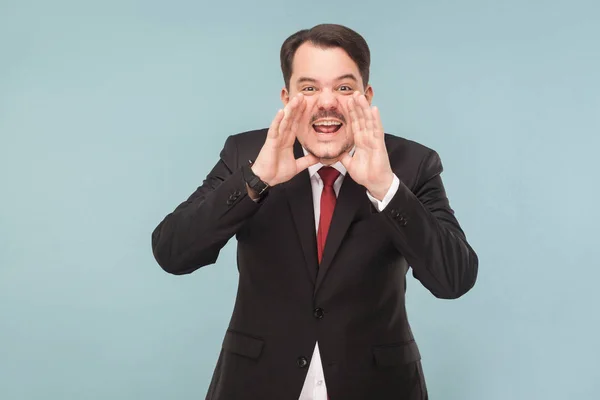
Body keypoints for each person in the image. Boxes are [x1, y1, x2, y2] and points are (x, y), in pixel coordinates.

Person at [151, 23, 478, 400]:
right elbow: (172, 253)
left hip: (377, 386)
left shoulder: (411, 164)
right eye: (309, 88)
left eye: (344, 87)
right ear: (286, 97)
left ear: (366, 95)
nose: (326, 102)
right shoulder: (246, 154)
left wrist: (386, 189)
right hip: (257, 384)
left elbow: (455, 279)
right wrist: (255, 180)